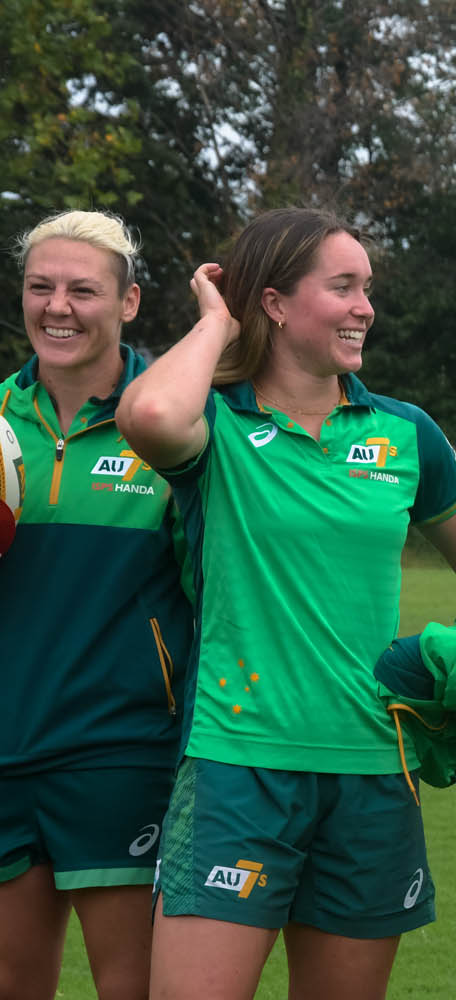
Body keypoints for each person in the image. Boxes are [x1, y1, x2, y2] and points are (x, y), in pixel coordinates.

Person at [115, 207, 456, 1000]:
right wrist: (218, 319)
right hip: (237, 770)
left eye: (368, 289)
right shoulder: (213, 421)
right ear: (275, 304)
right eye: (343, 287)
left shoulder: (403, 432)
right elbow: (147, 416)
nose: (365, 307)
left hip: (374, 772)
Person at [0, 211, 192, 1000]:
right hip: (5, 749)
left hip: (123, 752)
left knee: (132, 988)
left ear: (130, 302)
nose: (58, 307)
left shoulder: (173, 424)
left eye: (83, 290)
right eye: (40, 287)